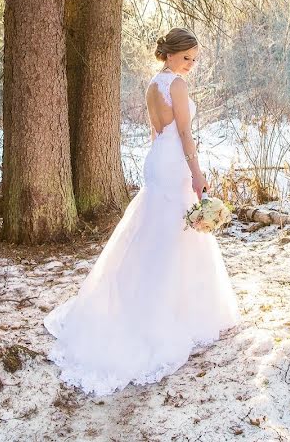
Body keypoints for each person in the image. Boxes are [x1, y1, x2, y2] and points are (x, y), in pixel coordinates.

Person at [43, 27, 241, 395]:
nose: (191, 65)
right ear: (171, 54)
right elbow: (184, 134)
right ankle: (169, 311)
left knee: (158, 229)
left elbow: (157, 133)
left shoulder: (153, 85)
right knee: (174, 232)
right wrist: (197, 174)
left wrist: (162, 163)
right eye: (187, 58)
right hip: (173, 162)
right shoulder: (176, 86)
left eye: (195, 59)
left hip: (157, 161)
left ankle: (150, 298)